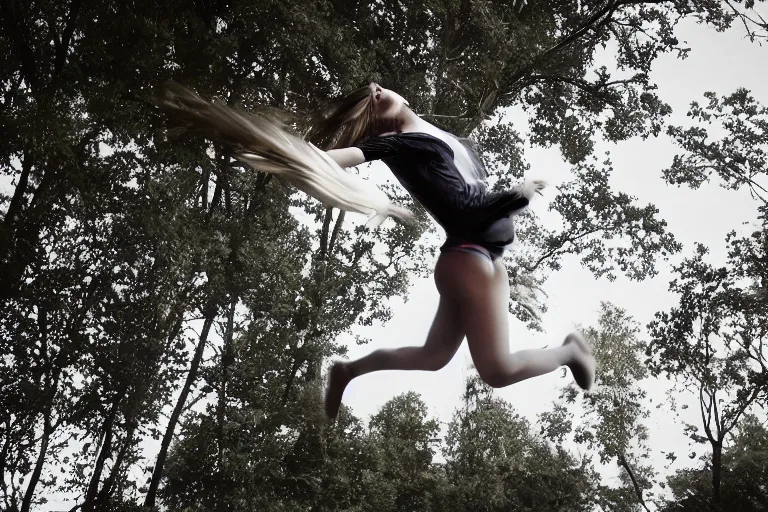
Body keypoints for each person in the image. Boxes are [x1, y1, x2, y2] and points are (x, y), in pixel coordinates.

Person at [318, 83, 596, 420]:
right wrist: (515, 197)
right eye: (371, 102)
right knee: (498, 370)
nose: (375, 93)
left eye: (377, 89)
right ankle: (570, 352)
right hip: (469, 259)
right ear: (377, 122)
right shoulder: (400, 142)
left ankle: (348, 370)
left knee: (434, 356)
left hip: (479, 259)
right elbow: (464, 208)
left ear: (405, 95)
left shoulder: (435, 135)